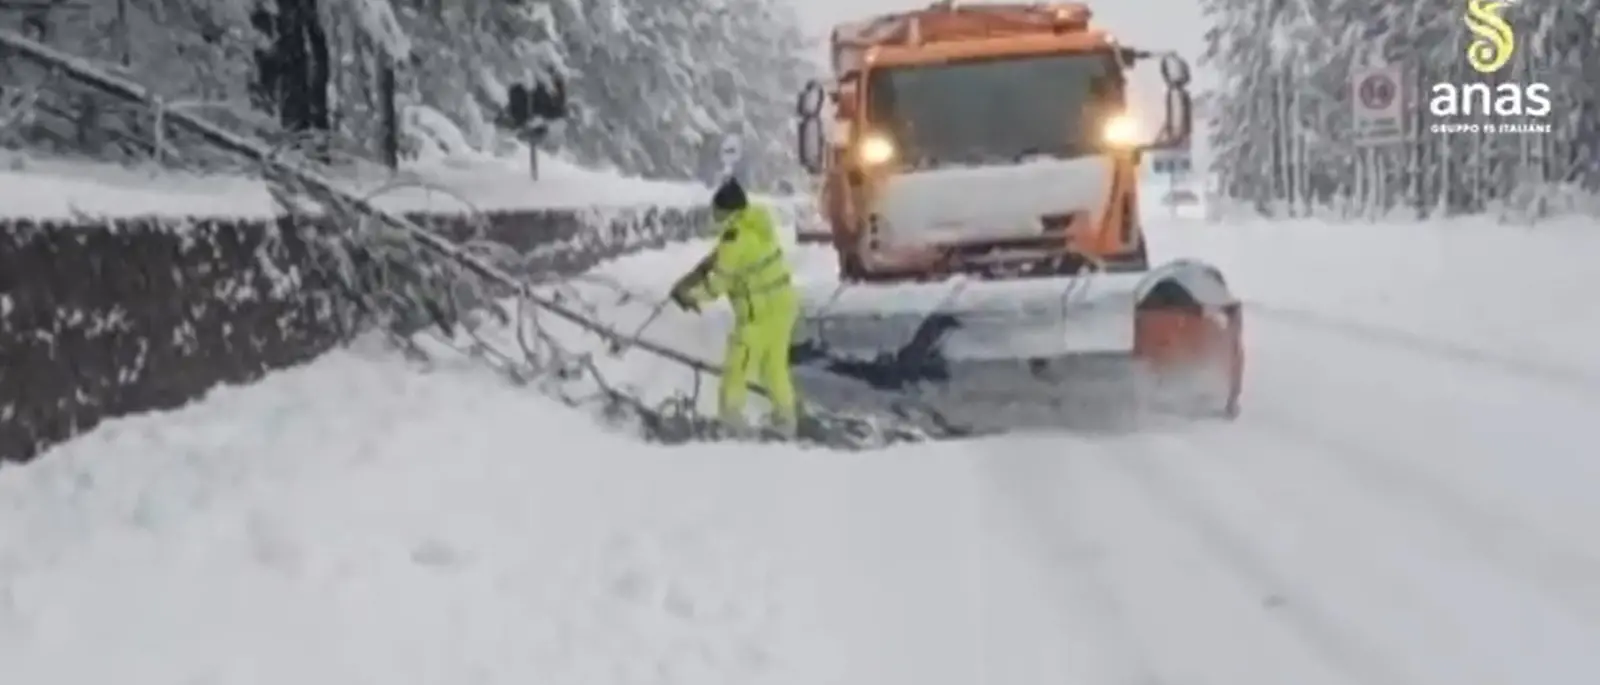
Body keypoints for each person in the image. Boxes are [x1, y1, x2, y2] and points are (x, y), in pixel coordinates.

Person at [669, 178, 800, 436]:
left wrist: (689, 295)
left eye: (717, 210)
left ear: (726, 210)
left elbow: (718, 284)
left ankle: (730, 422)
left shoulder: (734, 239)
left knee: (737, 368)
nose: (714, 216)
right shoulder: (757, 226)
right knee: (774, 368)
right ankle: (786, 420)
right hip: (783, 309)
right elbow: (736, 260)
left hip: (757, 315)